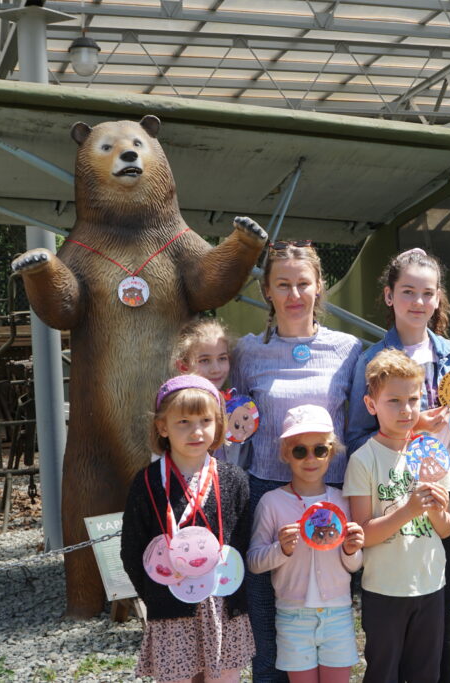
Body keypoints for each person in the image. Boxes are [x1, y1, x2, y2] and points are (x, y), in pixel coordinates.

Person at [344, 248, 450, 683]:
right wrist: (411, 425)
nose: (418, 302)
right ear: (389, 296)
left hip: (447, 484)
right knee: (392, 605)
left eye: (427, 293)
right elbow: (356, 435)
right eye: (408, 292)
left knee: (445, 603)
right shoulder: (369, 361)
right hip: (392, 487)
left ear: (438, 299)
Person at [231, 241, 364, 683]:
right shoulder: (247, 353)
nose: (294, 295)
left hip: (332, 493)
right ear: (266, 290)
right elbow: (230, 418)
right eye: (282, 284)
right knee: (268, 615)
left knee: (330, 605)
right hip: (267, 491)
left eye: (303, 284)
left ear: (319, 287)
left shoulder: (348, 349)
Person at [120, 375, 254, 683]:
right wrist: (157, 593)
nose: (196, 431)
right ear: (162, 426)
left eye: (205, 420)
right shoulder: (147, 482)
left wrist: (236, 596)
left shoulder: (234, 479)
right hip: (171, 610)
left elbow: (244, 544)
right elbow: (132, 550)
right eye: (183, 422)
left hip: (223, 609)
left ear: (219, 424)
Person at [343, 349, 450, 682]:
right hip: (385, 588)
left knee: (425, 673)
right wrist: (409, 509)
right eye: (394, 401)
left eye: (413, 399)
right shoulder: (363, 460)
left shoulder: (431, 451)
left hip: (430, 583)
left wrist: (435, 510)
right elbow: (363, 532)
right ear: (371, 405)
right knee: (383, 671)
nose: (406, 410)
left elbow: (446, 529)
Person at [247, 405, 365, 683]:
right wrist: (281, 550)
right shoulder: (272, 502)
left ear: (331, 452)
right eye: (300, 450)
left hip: (337, 613)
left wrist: (351, 550)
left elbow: (355, 564)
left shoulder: (342, 501)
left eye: (320, 450)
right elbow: (253, 561)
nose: (310, 458)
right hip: (292, 617)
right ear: (286, 454)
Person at [172, 318, 243, 465]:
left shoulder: (233, 403)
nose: (216, 369)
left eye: (222, 358)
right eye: (204, 360)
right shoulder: (177, 408)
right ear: (184, 366)